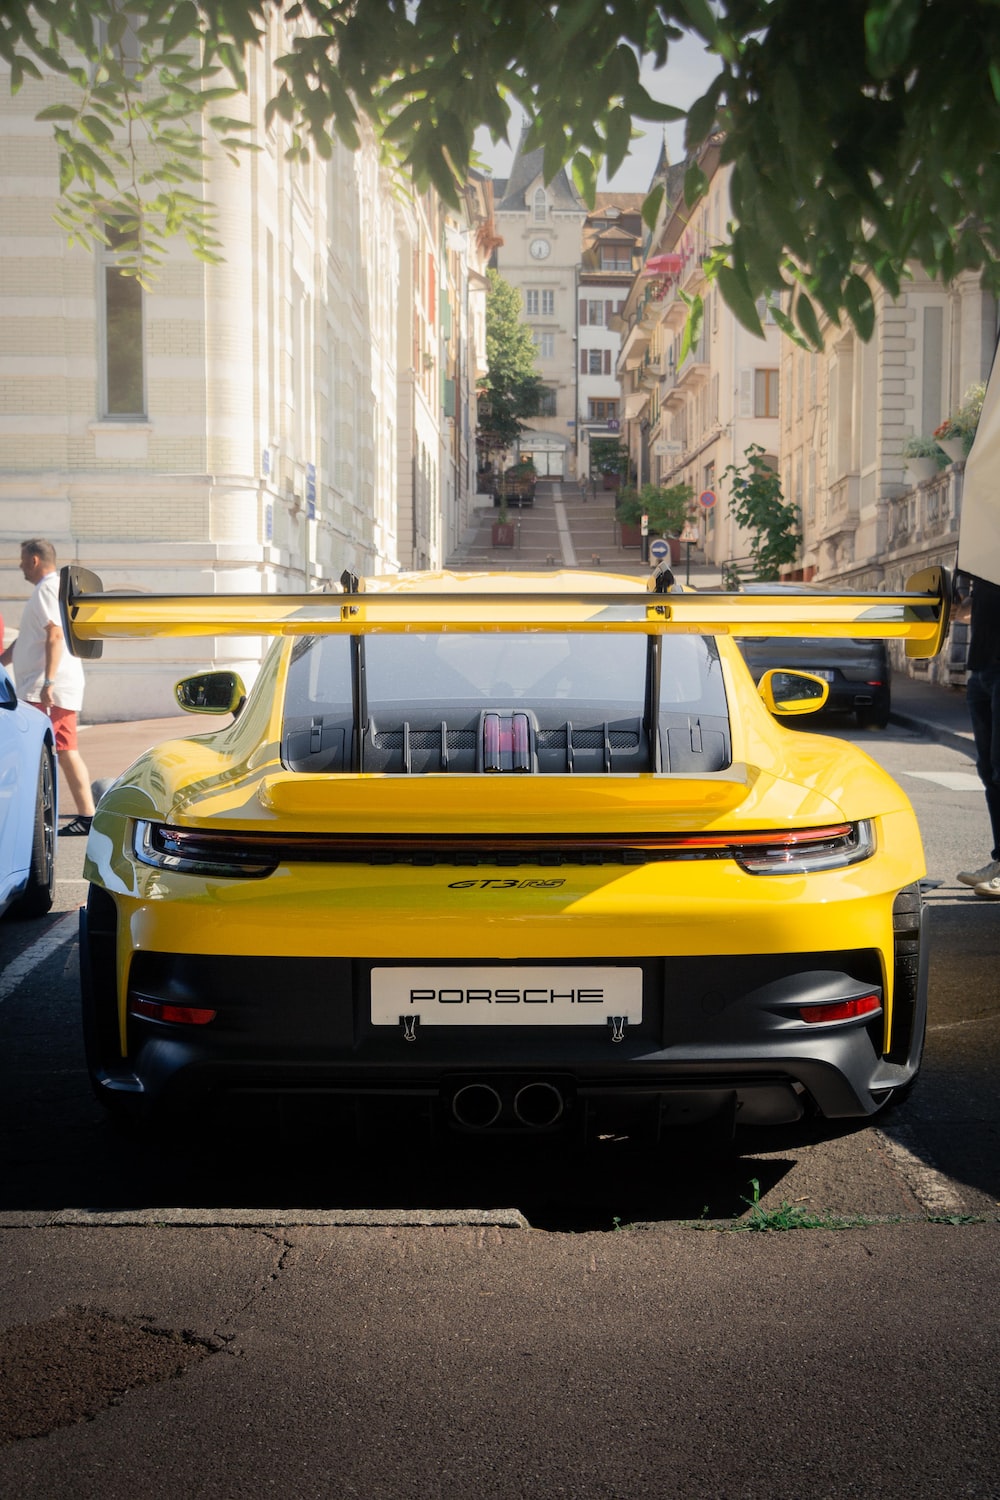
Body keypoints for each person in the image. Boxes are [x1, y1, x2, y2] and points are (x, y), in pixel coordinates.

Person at [0, 538, 96, 835]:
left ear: (35, 560)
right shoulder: (49, 590)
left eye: (22, 560)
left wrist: (49, 681)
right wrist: (3, 660)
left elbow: (54, 634)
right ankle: (72, 814)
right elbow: (30, 638)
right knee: (53, 750)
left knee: (64, 750)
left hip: (48, 689)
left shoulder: (46, 589)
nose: (20, 567)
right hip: (43, 687)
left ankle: (87, 815)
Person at [955, 571, 1000, 897]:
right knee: (988, 771)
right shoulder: (981, 549)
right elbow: (964, 610)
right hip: (981, 668)